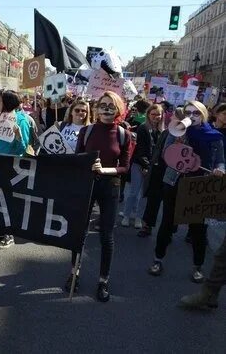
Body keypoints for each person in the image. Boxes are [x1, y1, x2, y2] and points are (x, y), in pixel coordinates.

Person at [65, 91, 132, 302]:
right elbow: (77, 159)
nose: (106, 109)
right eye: (103, 105)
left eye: (111, 106)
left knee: (106, 236)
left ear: (118, 110)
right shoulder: (87, 131)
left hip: (110, 187)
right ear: (96, 108)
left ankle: (103, 280)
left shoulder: (124, 134)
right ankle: (73, 273)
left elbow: (125, 167)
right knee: (80, 232)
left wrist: (106, 170)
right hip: (88, 185)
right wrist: (86, 165)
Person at [148, 101, 225, 283]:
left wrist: (220, 170)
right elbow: (166, 154)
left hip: (200, 186)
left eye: (196, 113)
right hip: (175, 182)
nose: (192, 116)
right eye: (189, 112)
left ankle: (197, 266)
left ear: (204, 115)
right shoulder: (176, 131)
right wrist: (178, 142)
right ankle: (158, 259)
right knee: (167, 222)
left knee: (199, 228)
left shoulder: (215, 137)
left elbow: (221, 161)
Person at [0, 89, 31, 249]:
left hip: (13, 166)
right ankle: (0, 230)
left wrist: (18, 135)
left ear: (7, 102)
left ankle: (9, 234)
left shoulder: (21, 120)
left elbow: (23, 148)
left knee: (9, 200)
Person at [122, 104, 163, 228]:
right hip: (139, 164)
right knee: (134, 192)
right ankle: (126, 215)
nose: (156, 117)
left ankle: (139, 217)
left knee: (145, 194)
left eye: (158, 114)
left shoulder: (162, 131)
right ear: (148, 115)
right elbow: (141, 149)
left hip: (152, 167)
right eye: (153, 114)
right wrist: (146, 166)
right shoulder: (143, 128)